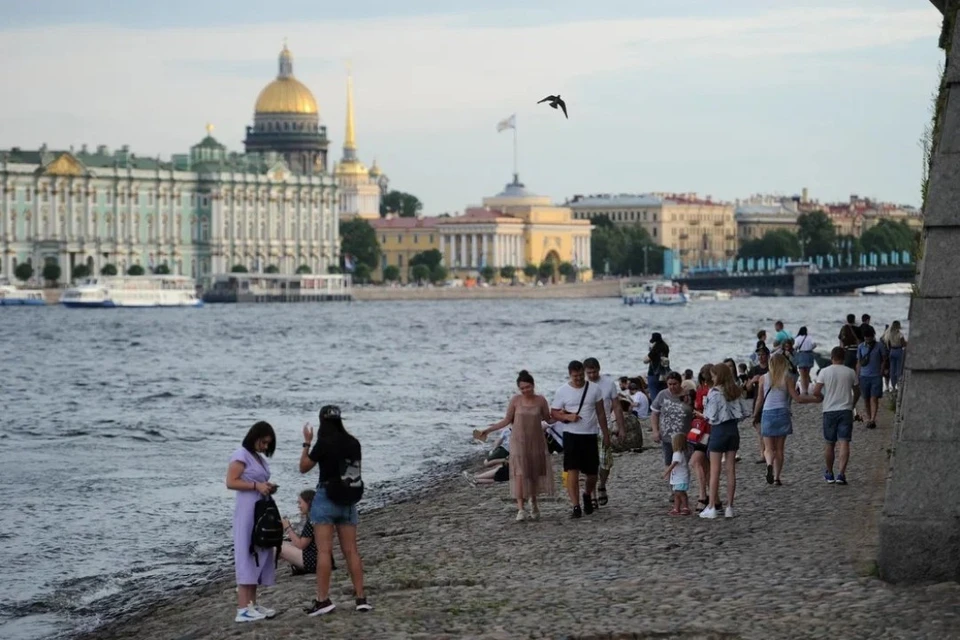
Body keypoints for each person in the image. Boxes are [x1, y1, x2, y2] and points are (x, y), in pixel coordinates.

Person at [299, 406, 372, 616]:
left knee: (324, 551)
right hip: (348, 498)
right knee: (351, 551)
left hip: (326, 497)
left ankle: (323, 601)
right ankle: (361, 598)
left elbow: (303, 467)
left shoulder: (324, 442)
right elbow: (353, 471)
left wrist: (307, 442)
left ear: (322, 422)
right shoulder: (353, 443)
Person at [477, 370, 555, 521]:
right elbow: (506, 420)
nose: (526, 390)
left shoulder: (541, 400)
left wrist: (565, 417)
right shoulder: (515, 401)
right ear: (519, 389)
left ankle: (533, 502)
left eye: (528, 387)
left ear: (533, 385)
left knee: (533, 475)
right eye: (522, 388)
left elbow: (548, 418)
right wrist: (488, 430)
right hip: (518, 442)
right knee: (519, 474)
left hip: (536, 441)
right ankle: (520, 509)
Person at [225, 421, 279, 623]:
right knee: (247, 552)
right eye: (263, 442)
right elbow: (231, 482)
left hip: (259, 508)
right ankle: (242, 607)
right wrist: (256, 485)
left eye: (268, 444)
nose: (265, 447)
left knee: (258, 551)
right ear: (255, 437)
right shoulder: (241, 454)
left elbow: (255, 481)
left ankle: (252, 604)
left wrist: (266, 486)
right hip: (247, 509)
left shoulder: (258, 458)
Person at [551, 360, 609, 519]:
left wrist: (606, 433)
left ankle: (587, 493)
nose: (578, 379)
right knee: (572, 471)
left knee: (592, 473)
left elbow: (601, 413)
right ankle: (576, 506)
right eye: (575, 376)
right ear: (570, 375)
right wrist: (567, 416)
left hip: (590, 434)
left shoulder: (594, 389)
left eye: (580, 375)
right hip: (571, 434)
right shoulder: (562, 391)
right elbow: (554, 412)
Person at [753, 353, 817, 486]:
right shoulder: (788, 378)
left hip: (767, 413)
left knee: (769, 448)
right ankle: (776, 478)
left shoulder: (763, 378)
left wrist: (755, 414)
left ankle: (769, 463)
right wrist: (815, 399)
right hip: (783, 413)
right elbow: (797, 399)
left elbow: (759, 399)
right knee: (780, 449)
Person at [700, 364, 746, 519]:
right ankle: (730, 507)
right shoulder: (735, 391)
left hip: (719, 431)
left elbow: (710, 416)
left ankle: (712, 506)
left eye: (713, 375)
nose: (712, 378)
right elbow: (744, 413)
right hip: (733, 431)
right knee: (731, 470)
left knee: (715, 471)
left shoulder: (714, 392)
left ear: (718, 375)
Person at [811, 347, 862, 485]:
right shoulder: (850, 372)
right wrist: (852, 403)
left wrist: (823, 397)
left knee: (829, 443)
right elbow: (857, 391)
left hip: (829, 410)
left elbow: (816, 391)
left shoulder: (824, 372)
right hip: (845, 409)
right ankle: (841, 474)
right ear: (843, 358)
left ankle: (829, 473)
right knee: (844, 441)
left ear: (832, 357)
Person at [584, 357, 626, 507]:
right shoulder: (583, 385)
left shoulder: (608, 384)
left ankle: (601, 484)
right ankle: (593, 493)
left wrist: (621, 428)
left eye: (594, 372)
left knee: (605, 463)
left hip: (604, 427)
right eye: (589, 372)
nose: (592, 375)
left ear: (599, 369)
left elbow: (617, 406)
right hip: (587, 428)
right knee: (591, 463)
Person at [280, 489, 337, 575]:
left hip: (315, 561)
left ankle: (262, 574)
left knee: (277, 547)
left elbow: (301, 545)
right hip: (326, 559)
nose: (298, 506)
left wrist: (287, 528)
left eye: (300, 503)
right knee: (283, 543)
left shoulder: (312, 521)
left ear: (309, 503)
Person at [650, 372, 693, 471]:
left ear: (680, 383)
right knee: (668, 462)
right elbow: (654, 413)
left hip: (684, 436)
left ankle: (681, 483)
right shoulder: (662, 394)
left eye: (675, 384)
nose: (672, 387)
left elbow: (696, 412)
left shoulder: (688, 395)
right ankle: (671, 484)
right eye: (670, 384)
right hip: (667, 436)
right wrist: (655, 431)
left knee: (683, 462)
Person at [856, 325, 888, 430]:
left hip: (875, 376)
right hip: (863, 376)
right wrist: (857, 375)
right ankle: (869, 418)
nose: (867, 338)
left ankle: (873, 419)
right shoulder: (861, 347)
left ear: (872, 336)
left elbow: (884, 359)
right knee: (866, 399)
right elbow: (859, 362)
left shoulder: (879, 346)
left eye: (869, 336)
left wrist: (881, 371)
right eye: (865, 337)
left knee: (874, 398)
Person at [742, 346, 770, 464]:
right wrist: (753, 380)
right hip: (757, 400)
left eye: (763, 355)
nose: (761, 357)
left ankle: (766, 452)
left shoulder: (771, 369)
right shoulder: (754, 370)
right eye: (759, 355)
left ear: (768, 356)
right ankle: (763, 452)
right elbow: (747, 388)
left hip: (769, 400)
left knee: (767, 429)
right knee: (759, 428)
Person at [663, 433, 691, 515]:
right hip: (677, 477)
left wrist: (666, 472)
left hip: (681, 477)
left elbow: (673, 464)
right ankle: (676, 508)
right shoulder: (679, 453)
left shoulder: (677, 454)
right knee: (677, 493)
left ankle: (685, 507)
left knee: (680, 492)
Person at [883, 321, 907, 392]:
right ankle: (899, 386)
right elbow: (903, 344)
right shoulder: (900, 334)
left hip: (892, 351)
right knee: (899, 369)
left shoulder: (889, 334)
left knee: (892, 369)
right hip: (899, 351)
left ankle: (893, 386)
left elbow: (888, 343)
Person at [645, 333, 670, 399]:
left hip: (653, 374)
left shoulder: (655, 348)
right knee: (663, 395)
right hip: (664, 373)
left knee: (654, 395)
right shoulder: (665, 347)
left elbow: (645, 360)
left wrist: (650, 351)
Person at [793, 326, 818, 395]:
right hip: (809, 355)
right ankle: (806, 389)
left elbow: (795, 347)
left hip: (801, 355)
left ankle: (804, 390)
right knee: (807, 374)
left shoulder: (798, 338)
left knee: (802, 375)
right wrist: (810, 348)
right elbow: (815, 344)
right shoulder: (810, 337)